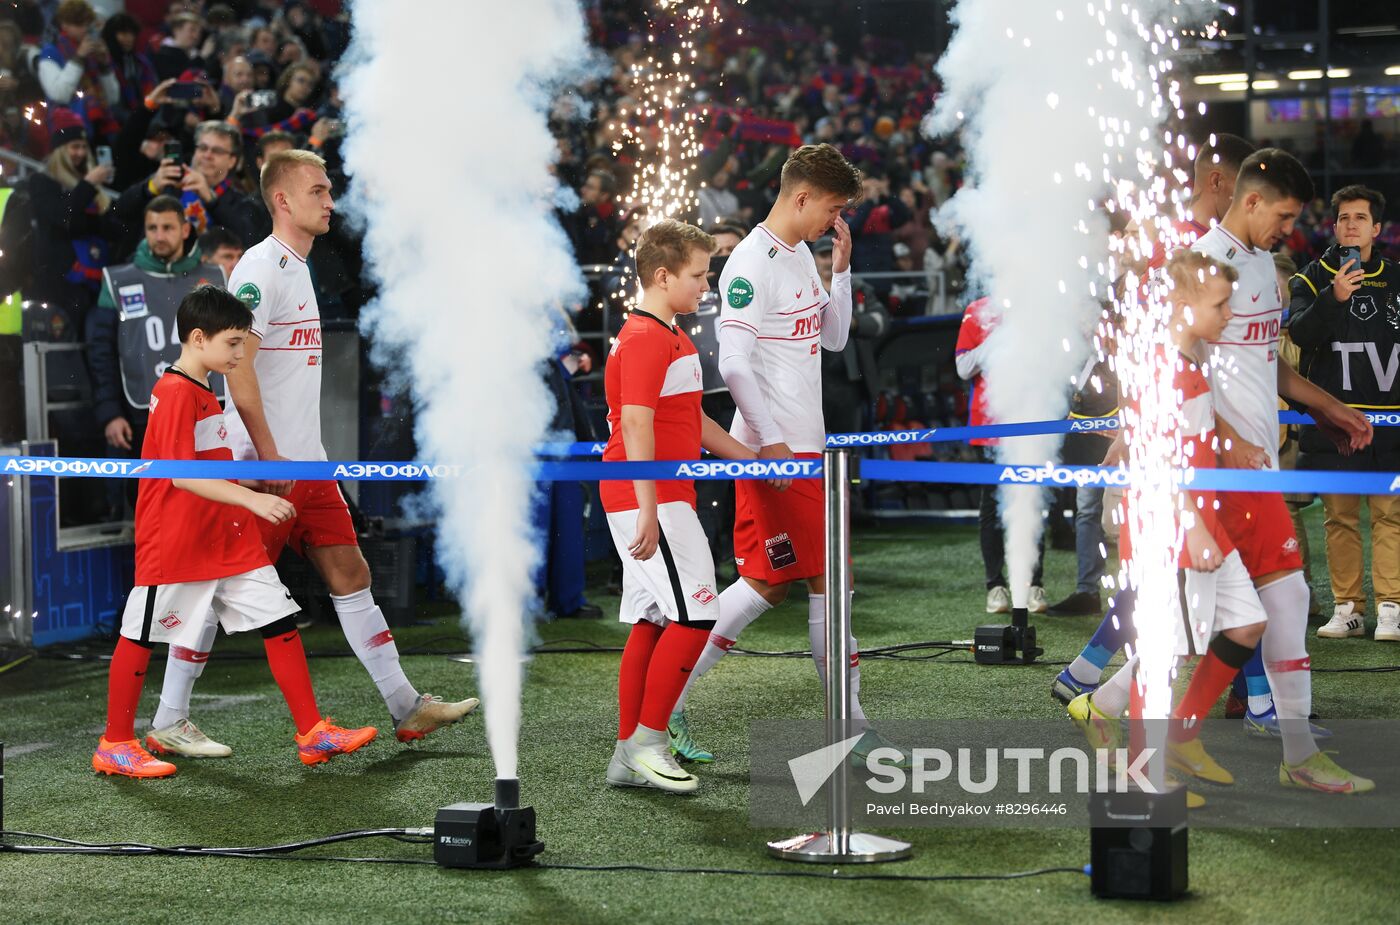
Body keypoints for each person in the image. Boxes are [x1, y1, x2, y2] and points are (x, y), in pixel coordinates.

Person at [148, 150, 478, 755]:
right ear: (283, 200)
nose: (331, 201)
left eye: (329, 191)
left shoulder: (300, 266)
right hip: (259, 465)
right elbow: (237, 369)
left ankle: (407, 707)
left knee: (351, 573)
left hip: (308, 463)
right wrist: (271, 458)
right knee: (219, 595)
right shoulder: (259, 268)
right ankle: (168, 719)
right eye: (319, 191)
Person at [667, 143, 900, 765]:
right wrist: (768, 444)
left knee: (766, 584)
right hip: (779, 452)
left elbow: (833, 336)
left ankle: (667, 703)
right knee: (826, 579)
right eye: (833, 207)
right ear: (801, 197)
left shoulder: (799, 253)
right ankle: (847, 726)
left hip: (800, 449)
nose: (837, 218)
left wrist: (840, 270)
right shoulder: (749, 264)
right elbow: (734, 361)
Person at [92, 285, 377, 777]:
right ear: (198, 338)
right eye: (233, 343)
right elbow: (181, 475)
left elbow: (206, 469)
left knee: (279, 618)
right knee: (138, 636)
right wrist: (254, 497)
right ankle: (115, 743)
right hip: (177, 542)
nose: (241, 354)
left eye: (244, 343)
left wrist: (253, 481)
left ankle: (313, 733)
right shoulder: (178, 390)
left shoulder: (201, 387)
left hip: (225, 538)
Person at [1186, 148, 1373, 791]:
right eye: (1285, 215)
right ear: (1252, 199)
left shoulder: (1265, 265)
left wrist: (1334, 410)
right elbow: (1177, 368)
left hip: (1255, 466)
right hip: (1222, 469)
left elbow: (1275, 367)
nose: (1289, 229)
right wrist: (1228, 437)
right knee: (1264, 605)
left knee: (1225, 614)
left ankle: (1114, 706)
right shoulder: (1203, 264)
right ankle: (1295, 753)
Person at [1052, 133, 1258, 703]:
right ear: (1220, 182)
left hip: (1177, 423)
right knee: (1205, 574)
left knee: (1179, 578)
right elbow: (1154, 347)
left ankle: (1094, 679)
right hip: (1186, 432)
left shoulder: (1172, 247)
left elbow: (1140, 345)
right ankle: (1251, 697)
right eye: (1245, 191)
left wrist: (1130, 426)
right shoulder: (1197, 248)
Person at [1067, 249, 1276, 808]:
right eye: (1220, 303)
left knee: (1247, 626)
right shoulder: (1168, 364)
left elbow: (1166, 431)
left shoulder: (1187, 356)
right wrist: (1194, 528)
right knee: (1165, 650)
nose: (1230, 312)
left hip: (1199, 524)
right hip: (1175, 529)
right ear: (1184, 306)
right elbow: (1161, 453)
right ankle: (1143, 771)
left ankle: (1177, 734)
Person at [602, 219, 755, 793]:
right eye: (698, 274)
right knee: (696, 615)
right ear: (662, 276)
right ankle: (647, 741)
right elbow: (636, 423)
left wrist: (757, 462)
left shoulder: (670, 333)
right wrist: (647, 508)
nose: (706, 286)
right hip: (653, 497)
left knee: (652, 620)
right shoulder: (645, 337)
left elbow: (693, 421)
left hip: (658, 495)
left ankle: (628, 752)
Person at [1287, 184, 1400, 643]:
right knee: (1340, 518)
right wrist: (1332, 297)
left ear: (1377, 228)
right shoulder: (1310, 278)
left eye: (1360, 218)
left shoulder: (1397, 277)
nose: (1350, 225)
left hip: (1391, 421)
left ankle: (1391, 608)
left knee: (1390, 516)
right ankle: (1349, 608)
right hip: (1337, 424)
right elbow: (1299, 335)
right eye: (1343, 218)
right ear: (1334, 227)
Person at [88, 195, 225, 472]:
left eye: (168, 227)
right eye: (152, 228)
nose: (159, 236)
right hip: (143, 408)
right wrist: (110, 413)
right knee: (152, 496)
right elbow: (100, 352)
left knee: (213, 496)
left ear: (185, 230)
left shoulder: (217, 277)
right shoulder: (118, 280)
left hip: (210, 406)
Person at [956, 296, 1048, 614]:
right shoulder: (977, 310)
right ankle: (995, 586)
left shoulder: (1036, 304)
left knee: (1031, 501)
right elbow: (963, 367)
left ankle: (1034, 584)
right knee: (993, 508)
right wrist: (998, 340)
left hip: (1029, 421)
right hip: (989, 423)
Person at [115, 120, 258, 252]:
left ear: (232, 161)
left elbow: (247, 239)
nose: (207, 155)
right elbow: (118, 212)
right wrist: (150, 187)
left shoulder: (241, 202)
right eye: (203, 148)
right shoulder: (167, 183)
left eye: (217, 151)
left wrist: (211, 200)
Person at [37, 0, 120, 140]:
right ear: (64, 25)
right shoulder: (50, 51)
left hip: (100, 123)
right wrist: (78, 58)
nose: (85, 29)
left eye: (88, 24)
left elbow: (113, 98)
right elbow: (59, 94)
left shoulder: (92, 49)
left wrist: (104, 65)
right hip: (67, 127)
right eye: (79, 24)